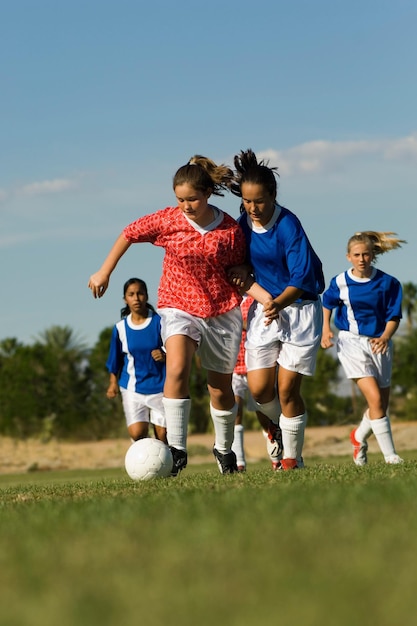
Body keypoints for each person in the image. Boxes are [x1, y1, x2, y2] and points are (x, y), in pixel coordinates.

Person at [88, 155, 248, 476]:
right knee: (176, 369)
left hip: (220, 310)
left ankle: (224, 448)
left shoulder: (230, 229)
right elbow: (129, 233)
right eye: (180, 199)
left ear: (207, 194)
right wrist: (104, 271)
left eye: (192, 199)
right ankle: (177, 451)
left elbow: (242, 265)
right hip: (178, 306)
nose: (186, 205)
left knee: (220, 388)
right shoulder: (168, 220)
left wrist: (244, 269)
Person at [229, 148, 325, 470]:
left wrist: (276, 303)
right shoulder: (244, 224)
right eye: (246, 201)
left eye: (258, 201)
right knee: (259, 390)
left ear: (272, 195)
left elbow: (302, 277)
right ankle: (276, 430)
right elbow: (240, 266)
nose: (252, 208)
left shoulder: (288, 225)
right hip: (266, 309)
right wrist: (244, 273)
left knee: (286, 390)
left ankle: (291, 459)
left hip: (298, 309)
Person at [321, 231, 405, 465]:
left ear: (372, 255)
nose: (361, 259)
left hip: (380, 344)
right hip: (351, 342)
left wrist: (386, 336)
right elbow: (327, 303)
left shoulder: (389, 283)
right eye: (356, 255)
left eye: (366, 254)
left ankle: (357, 438)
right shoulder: (339, 281)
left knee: (380, 405)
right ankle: (391, 456)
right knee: (375, 399)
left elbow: (394, 316)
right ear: (348, 256)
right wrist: (326, 330)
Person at [106, 278, 167, 443]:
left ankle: (168, 466)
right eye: (131, 294)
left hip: (161, 387)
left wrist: (164, 354)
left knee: (163, 436)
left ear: (146, 296)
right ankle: (142, 464)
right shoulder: (120, 328)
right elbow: (115, 358)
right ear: (125, 299)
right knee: (137, 433)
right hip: (132, 388)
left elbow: (176, 349)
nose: (136, 298)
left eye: (140, 293)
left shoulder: (160, 322)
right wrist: (113, 383)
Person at [231, 294, 283, 471]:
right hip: (233, 365)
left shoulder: (260, 294)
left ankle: (276, 457)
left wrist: (244, 323)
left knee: (264, 415)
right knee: (235, 411)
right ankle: (239, 463)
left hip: (257, 364)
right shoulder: (230, 296)